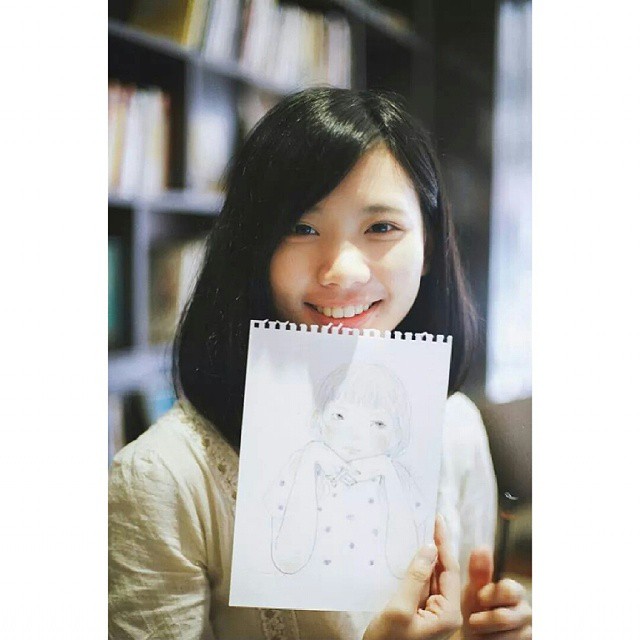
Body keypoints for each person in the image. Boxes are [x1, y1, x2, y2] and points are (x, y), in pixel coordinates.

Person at [109, 88, 532, 639]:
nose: (342, 270)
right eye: (302, 228)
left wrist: (485, 631)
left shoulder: (455, 427)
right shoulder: (161, 478)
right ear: (253, 248)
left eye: (381, 228)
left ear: (428, 245)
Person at [268, 363, 427, 579]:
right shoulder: (301, 464)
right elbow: (287, 560)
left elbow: (404, 567)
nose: (355, 434)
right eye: (340, 416)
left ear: (397, 433)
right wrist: (309, 463)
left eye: (378, 423)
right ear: (319, 417)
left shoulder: (398, 478)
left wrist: (389, 477)